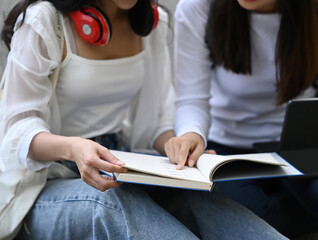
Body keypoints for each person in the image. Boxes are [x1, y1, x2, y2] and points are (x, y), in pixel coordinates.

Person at [0, 0, 289, 239]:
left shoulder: (154, 24)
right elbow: (17, 131)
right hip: (45, 185)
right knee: (113, 203)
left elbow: (156, 124)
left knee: (197, 197)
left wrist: (178, 145)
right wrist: (75, 148)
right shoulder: (44, 21)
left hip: (118, 163)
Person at [165, 0, 318, 239]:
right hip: (227, 148)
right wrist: (191, 133)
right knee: (244, 213)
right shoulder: (198, 7)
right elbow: (191, 98)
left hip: (299, 142)